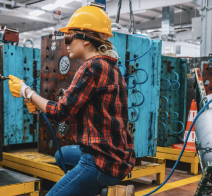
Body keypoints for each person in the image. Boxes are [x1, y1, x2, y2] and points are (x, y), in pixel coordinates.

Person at [8, 4, 136, 196]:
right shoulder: (111, 66)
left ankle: (99, 184)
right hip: (119, 158)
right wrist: (36, 100)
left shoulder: (90, 67)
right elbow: (74, 108)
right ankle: (93, 188)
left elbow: (60, 112)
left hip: (101, 161)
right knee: (62, 155)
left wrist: (27, 92)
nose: (66, 42)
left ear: (85, 40)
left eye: (70, 36)